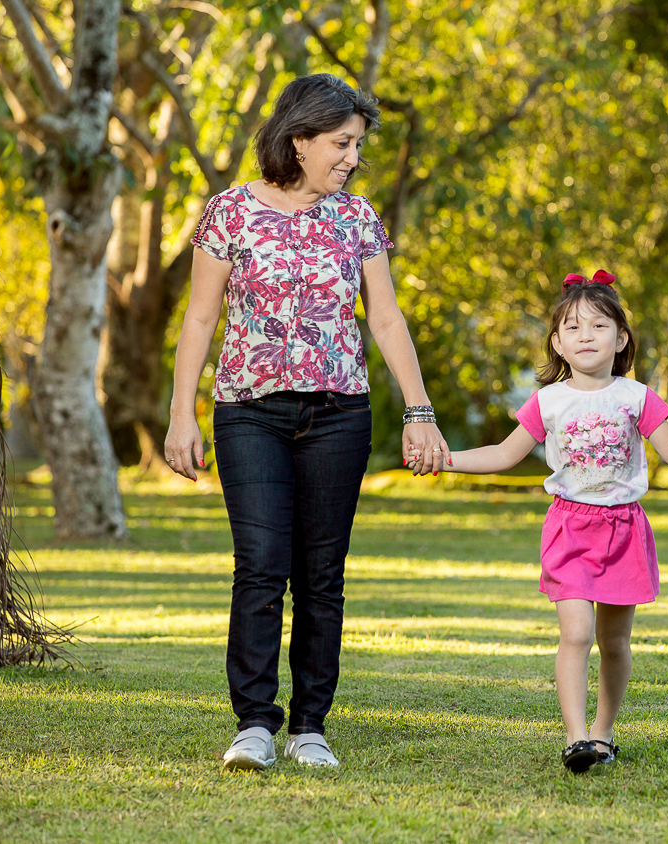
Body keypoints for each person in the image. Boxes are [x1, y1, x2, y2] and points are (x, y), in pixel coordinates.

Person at [164, 73, 448, 771]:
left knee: (321, 573)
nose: (352, 157)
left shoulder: (357, 219)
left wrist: (420, 412)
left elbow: (384, 316)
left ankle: (309, 727)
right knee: (261, 568)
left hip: (338, 415)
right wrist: (180, 414)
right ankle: (254, 724)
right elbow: (201, 317)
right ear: (300, 139)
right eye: (341, 143)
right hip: (248, 414)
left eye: (357, 145)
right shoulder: (229, 212)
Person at [422, 271, 668, 773]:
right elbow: (502, 453)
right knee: (576, 633)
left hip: (624, 531)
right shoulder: (549, 401)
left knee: (615, 641)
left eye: (599, 326)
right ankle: (576, 739)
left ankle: (603, 733)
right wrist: (443, 459)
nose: (586, 336)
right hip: (569, 529)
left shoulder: (637, 397)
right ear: (557, 343)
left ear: (620, 338)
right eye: (573, 328)